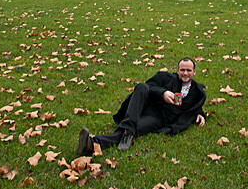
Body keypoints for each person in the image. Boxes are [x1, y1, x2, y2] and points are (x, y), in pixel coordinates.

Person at [76, 57, 206, 154]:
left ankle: (92, 144)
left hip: (156, 118)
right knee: (142, 87)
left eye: (188, 70)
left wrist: (200, 114)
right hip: (142, 105)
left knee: (131, 130)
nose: (185, 73)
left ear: (194, 72)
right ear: (177, 71)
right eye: (182, 70)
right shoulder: (165, 77)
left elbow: (196, 107)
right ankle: (128, 130)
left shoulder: (197, 92)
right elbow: (149, 86)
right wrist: (163, 93)